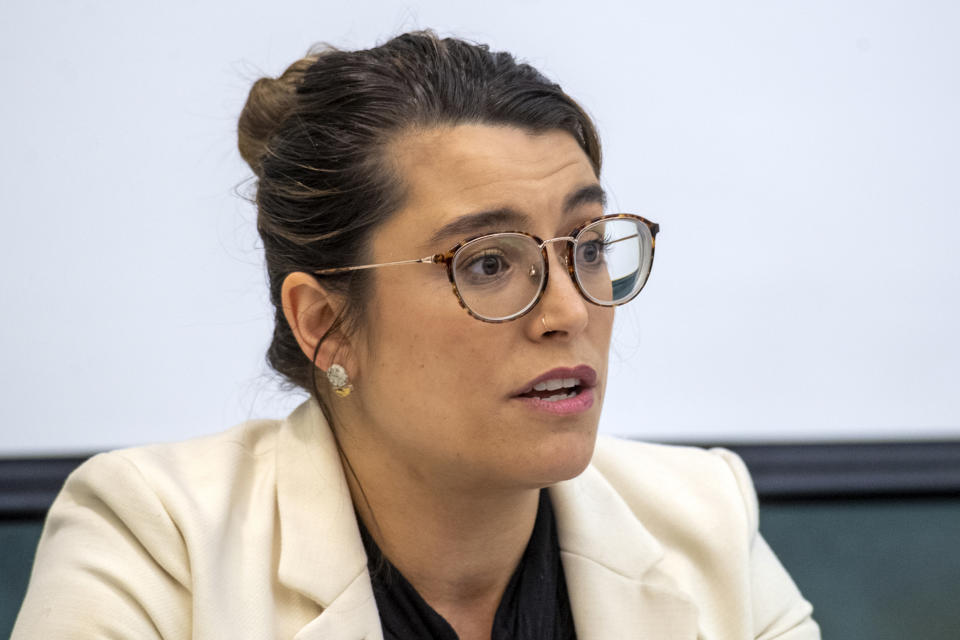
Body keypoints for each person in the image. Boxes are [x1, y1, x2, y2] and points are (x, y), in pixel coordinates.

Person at [13, 31, 819, 639]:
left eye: (587, 247)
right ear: (325, 325)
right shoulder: (158, 546)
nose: (569, 311)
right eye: (487, 263)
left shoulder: (702, 520)